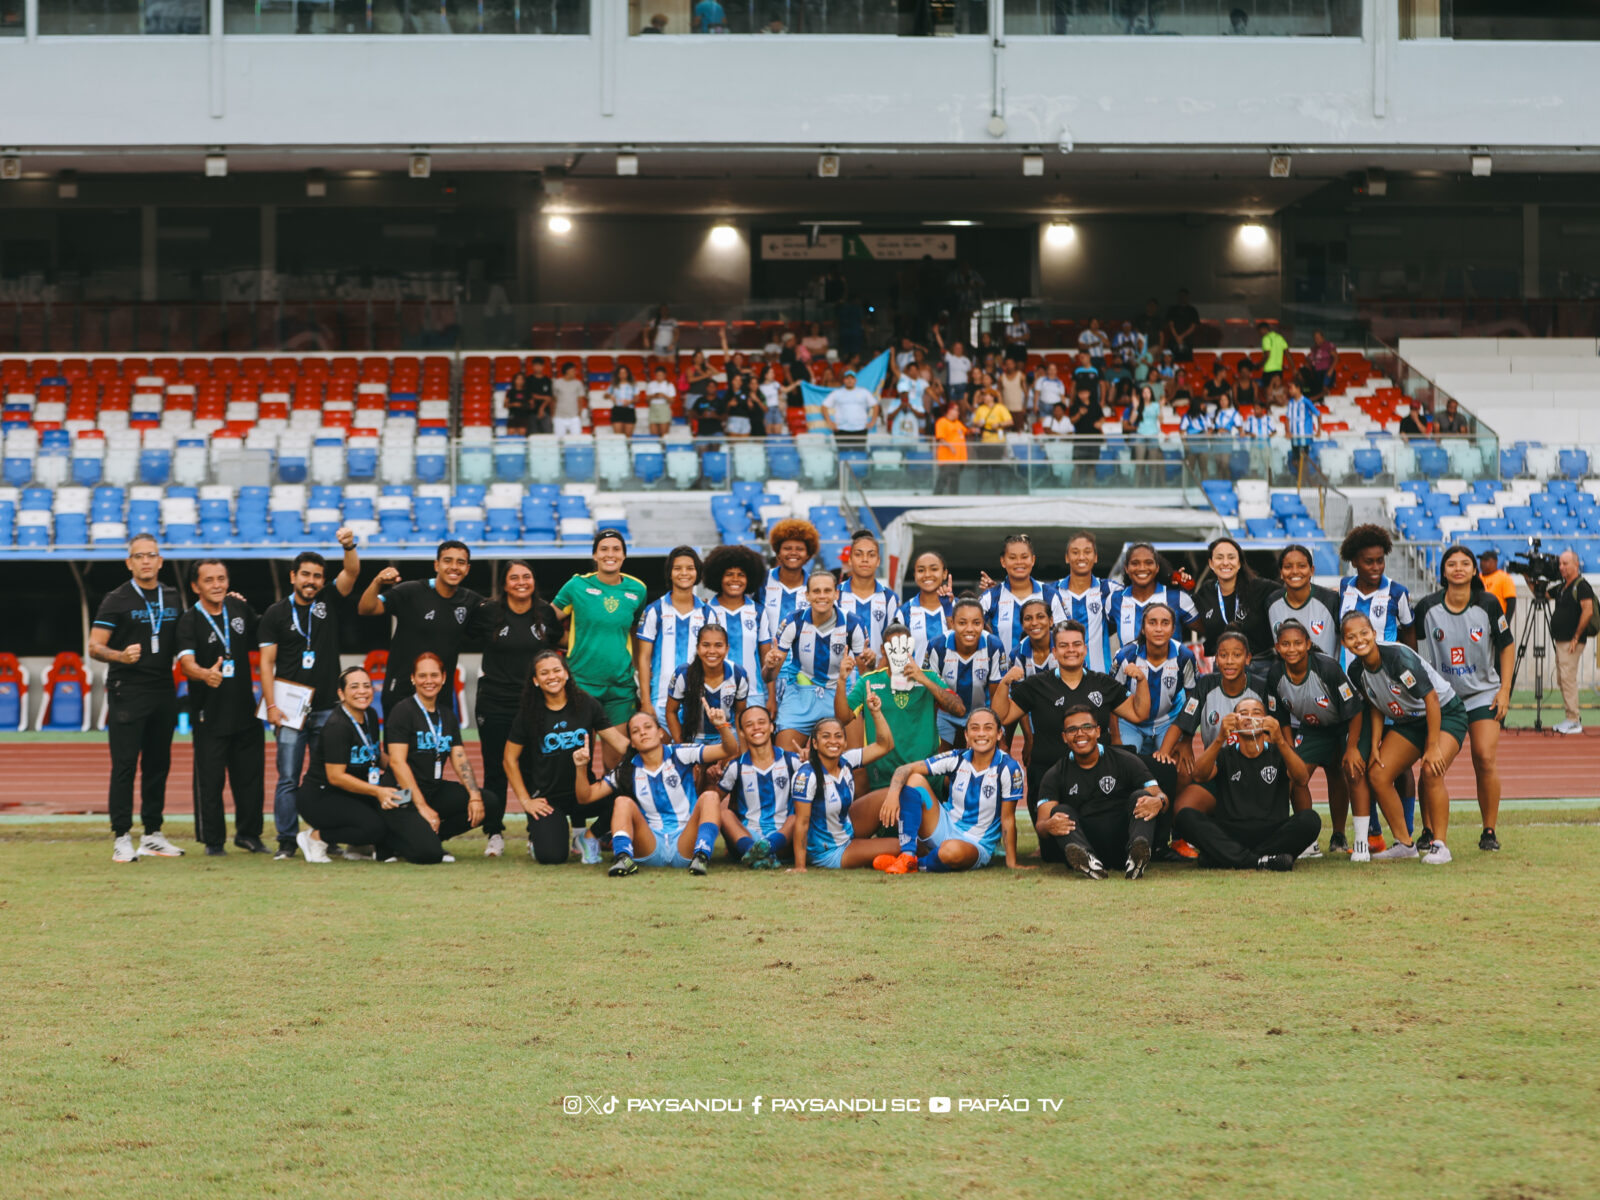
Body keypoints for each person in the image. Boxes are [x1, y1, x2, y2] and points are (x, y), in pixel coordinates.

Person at [992, 620, 1149, 859]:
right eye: (1063, 646)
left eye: (1077, 644)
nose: (1071, 650)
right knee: (1052, 855)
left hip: (1095, 775)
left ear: (1085, 648)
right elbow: (1002, 715)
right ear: (1054, 652)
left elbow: (1139, 713)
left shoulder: (1103, 684)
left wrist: (1142, 682)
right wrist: (1004, 683)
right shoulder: (1037, 684)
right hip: (1050, 775)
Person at [258, 532, 361, 858]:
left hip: (329, 708)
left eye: (317, 576)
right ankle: (287, 841)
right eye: (305, 574)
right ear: (293, 576)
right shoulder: (275, 613)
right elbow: (266, 663)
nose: (311, 581)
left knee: (329, 778)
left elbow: (353, 572)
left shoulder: (328, 600)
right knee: (288, 778)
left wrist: (348, 547)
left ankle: (325, 837)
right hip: (289, 710)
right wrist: (271, 705)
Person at [1340, 610, 1466, 865]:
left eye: (1364, 633)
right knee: (1378, 773)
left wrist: (1432, 747)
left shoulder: (1398, 657)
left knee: (1431, 769)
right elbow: (1375, 704)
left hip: (1445, 712)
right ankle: (1405, 844)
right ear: (1344, 643)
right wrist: (1375, 743)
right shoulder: (1356, 671)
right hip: (1409, 721)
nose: (1359, 640)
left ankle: (1440, 845)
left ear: (1374, 634)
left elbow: (1430, 699)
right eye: (1351, 637)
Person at [90, 534, 182, 863]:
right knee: (125, 766)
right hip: (127, 690)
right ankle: (121, 836)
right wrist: (120, 655)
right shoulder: (116, 599)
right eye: (138, 556)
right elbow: (94, 646)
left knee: (158, 765)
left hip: (162, 689)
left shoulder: (172, 596)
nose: (145, 561)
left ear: (160, 561)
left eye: (151, 555)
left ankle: (153, 834)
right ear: (129, 563)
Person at [1415, 546, 1514, 851]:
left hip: (1482, 692)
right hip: (1444, 698)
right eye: (1452, 564)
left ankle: (1489, 831)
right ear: (1443, 572)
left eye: (1465, 563)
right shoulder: (1427, 608)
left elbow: (1507, 646)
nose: (1458, 568)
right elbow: (1420, 657)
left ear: (1474, 571)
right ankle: (1429, 830)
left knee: (1484, 757)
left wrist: (1504, 690)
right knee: (1431, 763)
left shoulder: (1488, 604)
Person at [576, 709, 739, 876]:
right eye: (635, 731)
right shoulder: (626, 769)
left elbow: (729, 750)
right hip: (649, 845)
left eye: (648, 727)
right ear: (632, 742)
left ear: (660, 733)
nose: (643, 733)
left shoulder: (680, 753)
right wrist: (581, 767)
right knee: (622, 802)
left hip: (685, 843)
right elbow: (585, 796)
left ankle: (702, 856)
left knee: (710, 797)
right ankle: (623, 859)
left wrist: (722, 726)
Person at [503, 650, 629, 864]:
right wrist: (526, 801)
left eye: (556, 670)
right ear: (535, 680)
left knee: (628, 793)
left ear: (567, 674)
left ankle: (589, 837)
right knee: (552, 857)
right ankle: (539, 839)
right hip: (549, 798)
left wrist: (658, 753)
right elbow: (509, 759)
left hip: (584, 792)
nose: (551, 677)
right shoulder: (529, 713)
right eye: (544, 673)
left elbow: (619, 743)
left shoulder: (587, 705)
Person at [175, 560, 265, 856]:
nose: (217, 585)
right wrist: (205, 674)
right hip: (209, 714)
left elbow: (264, 636)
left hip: (245, 711)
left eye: (222, 578)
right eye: (209, 580)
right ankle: (213, 840)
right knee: (210, 780)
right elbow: (186, 663)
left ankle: (249, 834)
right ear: (195, 586)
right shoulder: (189, 620)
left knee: (250, 778)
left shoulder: (239, 609)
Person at [1336, 523, 1417, 845]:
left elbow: (1409, 638)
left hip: (1391, 689)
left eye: (1380, 560)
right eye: (1368, 561)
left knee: (1397, 763)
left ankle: (1406, 832)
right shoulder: (1343, 588)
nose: (1375, 567)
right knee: (1358, 757)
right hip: (1354, 689)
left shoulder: (1398, 593)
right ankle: (1371, 832)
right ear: (1354, 561)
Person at [384, 653, 507, 860]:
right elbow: (397, 762)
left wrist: (475, 796)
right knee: (429, 855)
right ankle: (393, 841)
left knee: (490, 802)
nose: (428, 681)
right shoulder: (402, 711)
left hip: (434, 789)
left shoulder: (446, 714)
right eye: (422, 676)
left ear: (443, 678)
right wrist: (422, 807)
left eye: (434, 675)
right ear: (413, 678)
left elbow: (459, 757)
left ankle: (431, 836)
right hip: (403, 794)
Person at [1172, 698, 1320, 871]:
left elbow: (1302, 778)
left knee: (1310, 819)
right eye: (1243, 714)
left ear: (1267, 720)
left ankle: (1228, 858)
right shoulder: (1224, 754)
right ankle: (1260, 861)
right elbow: (1199, 775)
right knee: (1185, 817)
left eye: (1257, 713)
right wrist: (1220, 738)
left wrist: (1280, 739)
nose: (1250, 718)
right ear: (1234, 721)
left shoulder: (1279, 753)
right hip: (1231, 831)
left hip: (1271, 832)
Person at [1261, 618, 1365, 857]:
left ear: (1308, 644)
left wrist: (1351, 747)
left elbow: (1355, 710)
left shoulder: (1327, 669)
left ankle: (1343, 836)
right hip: (1312, 728)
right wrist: (1288, 748)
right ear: (1278, 648)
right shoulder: (1275, 674)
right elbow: (1281, 716)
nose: (1292, 649)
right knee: (1295, 775)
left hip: (1343, 725)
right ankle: (1308, 841)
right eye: (1285, 644)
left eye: (1297, 643)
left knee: (1344, 772)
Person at [876, 707, 1024, 874]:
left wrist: (1012, 863)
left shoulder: (1009, 768)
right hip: (944, 825)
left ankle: (918, 864)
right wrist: (893, 795)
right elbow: (904, 769)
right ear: (967, 736)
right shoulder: (956, 758)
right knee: (914, 779)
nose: (981, 733)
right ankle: (907, 855)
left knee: (950, 851)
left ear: (999, 734)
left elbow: (1008, 819)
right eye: (975, 728)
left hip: (975, 843)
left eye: (988, 728)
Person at [1034, 705, 1166, 879]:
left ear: (1097, 731)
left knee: (1143, 798)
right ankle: (1088, 862)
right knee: (1059, 813)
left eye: (1086, 727)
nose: (1080, 734)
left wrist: (1159, 801)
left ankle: (1137, 858)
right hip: (1085, 842)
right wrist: (1049, 825)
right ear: (1064, 737)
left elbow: (1159, 795)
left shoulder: (1125, 760)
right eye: (1072, 730)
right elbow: (1041, 824)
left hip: (1124, 840)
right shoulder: (1055, 774)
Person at [358, 539, 489, 714]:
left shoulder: (471, 601)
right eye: (447, 560)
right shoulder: (411, 591)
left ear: (467, 569)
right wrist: (377, 582)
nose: (454, 567)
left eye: (461, 562)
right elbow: (366, 608)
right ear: (436, 565)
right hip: (401, 690)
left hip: (439, 695)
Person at [791, 698, 915, 872]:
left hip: (845, 827)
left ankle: (911, 847)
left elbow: (885, 745)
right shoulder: (807, 775)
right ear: (814, 743)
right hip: (830, 850)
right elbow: (801, 822)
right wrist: (800, 866)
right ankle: (920, 857)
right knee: (900, 846)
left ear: (845, 742)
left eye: (838, 736)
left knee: (892, 794)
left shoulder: (846, 760)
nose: (833, 741)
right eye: (825, 736)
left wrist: (876, 712)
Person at [474, 560, 559, 811]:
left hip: (534, 703)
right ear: (505, 585)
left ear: (534, 582)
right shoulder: (488, 612)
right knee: (495, 767)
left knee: (534, 767)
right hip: (494, 702)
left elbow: (558, 643)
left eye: (526, 576)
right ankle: (495, 832)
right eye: (514, 578)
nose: (521, 582)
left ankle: (536, 830)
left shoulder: (546, 613)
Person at [294, 667, 400, 864]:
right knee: (374, 827)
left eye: (367, 686)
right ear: (341, 694)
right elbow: (336, 776)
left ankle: (358, 846)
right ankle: (315, 838)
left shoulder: (370, 714)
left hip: (349, 794)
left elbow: (374, 753)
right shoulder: (337, 726)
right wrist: (378, 792)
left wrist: (400, 768)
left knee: (395, 808)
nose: (362, 691)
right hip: (321, 796)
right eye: (354, 687)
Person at [837, 622, 958, 793]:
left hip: (924, 777)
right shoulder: (869, 681)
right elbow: (843, 718)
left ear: (911, 647)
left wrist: (923, 679)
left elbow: (958, 709)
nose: (899, 652)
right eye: (893, 646)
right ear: (883, 649)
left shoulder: (929, 677)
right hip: (882, 779)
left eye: (904, 646)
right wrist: (841, 681)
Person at [552, 529, 650, 732]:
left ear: (624, 555)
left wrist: (638, 673)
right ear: (595, 555)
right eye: (603, 549)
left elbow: (634, 630)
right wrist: (569, 642)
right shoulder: (576, 585)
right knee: (581, 754)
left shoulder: (638, 590)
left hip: (620, 687)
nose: (610, 554)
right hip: (582, 683)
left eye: (616, 549)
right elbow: (546, 622)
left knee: (616, 758)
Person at [767, 569, 869, 750]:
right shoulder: (793, 621)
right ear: (807, 595)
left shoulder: (854, 623)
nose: (822, 596)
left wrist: (871, 663)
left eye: (827, 591)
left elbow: (866, 675)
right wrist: (769, 666)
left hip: (841, 693)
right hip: (801, 694)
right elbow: (769, 676)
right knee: (784, 760)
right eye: (816, 591)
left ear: (836, 594)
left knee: (856, 763)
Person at [636, 545, 717, 726]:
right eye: (677, 568)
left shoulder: (707, 613)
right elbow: (643, 657)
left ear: (697, 573)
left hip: (698, 700)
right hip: (661, 701)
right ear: (670, 573)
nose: (684, 573)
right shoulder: (654, 610)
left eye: (690, 568)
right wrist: (646, 702)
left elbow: (715, 658)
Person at [715, 705, 803, 868]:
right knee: (724, 813)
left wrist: (813, 761)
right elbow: (714, 800)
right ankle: (753, 851)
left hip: (783, 837)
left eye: (761, 722)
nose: (756, 728)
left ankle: (762, 852)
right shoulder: (736, 766)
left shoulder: (793, 761)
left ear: (771, 727)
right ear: (741, 732)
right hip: (748, 834)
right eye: (749, 724)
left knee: (797, 815)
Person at [1112, 602, 1198, 757]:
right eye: (1152, 623)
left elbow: (1193, 699)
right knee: (1125, 762)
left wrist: (1186, 739)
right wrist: (1116, 738)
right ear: (1143, 629)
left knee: (1179, 766)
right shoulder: (1125, 656)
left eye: (1165, 623)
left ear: (1173, 629)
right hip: (1130, 722)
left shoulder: (1185, 657)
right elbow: (1112, 699)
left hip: (1168, 720)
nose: (1159, 629)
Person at [923, 599, 1007, 749]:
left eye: (976, 623)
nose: (970, 629)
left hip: (983, 711)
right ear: (952, 623)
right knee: (939, 758)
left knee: (998, 755)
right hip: (946, 714)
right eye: (962, 623)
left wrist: (994, 727)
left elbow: (996, 695)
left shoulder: (994, 646)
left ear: (983, 624)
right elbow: (931, 694)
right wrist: (930, 731)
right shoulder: (937, 646)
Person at [702, 544, 774, 710]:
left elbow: (766, 658)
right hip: (715, 693)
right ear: (718, 577)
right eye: (729, 574)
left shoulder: (758, 611)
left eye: (741, 575)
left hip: (753, 694)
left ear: (750, 578)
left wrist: (771, 697)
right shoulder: (705, 611)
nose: (735, 579)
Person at [667, 624, 749, 751]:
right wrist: (682, 747)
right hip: (692, 737)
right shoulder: (683, 674)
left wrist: (742, 750)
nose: (712, 651)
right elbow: (671, 712)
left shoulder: (738, 674)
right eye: (706, 645)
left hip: (726, 735)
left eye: (718, 645)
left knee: (727, 767)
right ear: (698, 648)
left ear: (727, 649)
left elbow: (740, 714)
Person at [1193, 535, 1276, 657]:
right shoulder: (1206, 591)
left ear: (1240, 562)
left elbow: (1290, 597)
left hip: (1259, 665)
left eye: (1231, 557)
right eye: (1219, 558)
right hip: (1222, 665)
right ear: (1211, 563)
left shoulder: (1261, 587)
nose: (1225, 563)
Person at [1049, 530, 1118, 673]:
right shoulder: (1051, 591)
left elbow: (1141, 595)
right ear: (1067, 558)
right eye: (1075, 552)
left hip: (1100, 677)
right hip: (1060, 678)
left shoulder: (1109, 589)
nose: (1081, 557)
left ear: (1096, 557)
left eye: (1087, 552)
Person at [1107, 542, 1199, 646]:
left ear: (1157, 567)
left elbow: (1209, 631)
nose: (1142, 568)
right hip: (1128, 663)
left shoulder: (1177, 598)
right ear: (1126, 568)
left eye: (1148, 562)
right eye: (1135, 563)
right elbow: (1100, 632)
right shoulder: (1115, 600)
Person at [977, 533, 1051, 655]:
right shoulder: (990, 597)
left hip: (1044, 673)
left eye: (1024, 557)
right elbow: (970, 630)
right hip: (1002, 673)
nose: (1019, 562)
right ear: (1003, 561)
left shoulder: (1049, 595)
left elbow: (1063, 635)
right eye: (1012, 557)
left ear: (1033, 560)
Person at [1264, 543, 1341, 659]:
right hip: (1287, 676)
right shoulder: (1272, 602)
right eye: (1288, 567)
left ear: (1312, 570)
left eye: (1301, 566)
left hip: (1326, 676)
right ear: (1281, 572)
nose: (1295, 571)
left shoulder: (1331, 600)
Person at [1551, 549, 1595, 736]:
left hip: (1571, 642)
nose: (1561, 567)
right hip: (1562, 641)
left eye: (1565, 563)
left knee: (1567, 679)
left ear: (1576, 564)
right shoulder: (1562, 587)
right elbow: (1542, 593)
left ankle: (1573, 719)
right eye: (1560, 563)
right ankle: (1571, 717)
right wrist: (1529, 574)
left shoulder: (1582, 586)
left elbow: (1588, 611)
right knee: (1563, 679)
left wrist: (1576, 637)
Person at [835, 530, 900, 653]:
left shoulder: (889, 598)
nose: (865, 559)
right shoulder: (836, 595)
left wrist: (880, 669)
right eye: (858, 554)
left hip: (878, 670)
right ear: (850, 560)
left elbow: (893, 642)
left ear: (878, 561)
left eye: (871, 555)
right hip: (842, 671)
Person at [897, 549, 955, 661]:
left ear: (944, 574)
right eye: (921, 570)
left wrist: (949, 611)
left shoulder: (960, 607)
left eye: (934, 569)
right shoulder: (904, 612)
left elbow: (965, 646)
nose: (927, 575)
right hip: (915, 678)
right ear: (914, 575)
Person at [760, 518, 815, 634]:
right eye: (787, 548)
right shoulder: (761, 580)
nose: (793, 552)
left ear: (808, 555)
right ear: (778, 553)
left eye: (799, 549)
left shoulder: (815, 585)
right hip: (766, 651)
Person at [822, 369, 877, 451]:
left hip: (860, 428)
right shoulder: (837, 393)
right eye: (847, 378)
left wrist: (872, 422)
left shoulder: (863, 392)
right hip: (841, 429)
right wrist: (829, 422)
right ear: (844, 380)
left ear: (855, 380)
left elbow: (875, 405)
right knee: (843, 453)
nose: (849, 380)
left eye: (852, 378)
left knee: (859, 453)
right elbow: (824, 406)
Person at [933, 399, 968, 494]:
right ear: (949, 410)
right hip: (947, 458)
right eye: (956, 410)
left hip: (959, 459)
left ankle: (953, 499)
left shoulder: (958, 423)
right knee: (943, 479)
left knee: (954, 481)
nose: (958, 412)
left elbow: (966, 432)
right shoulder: (942, 422)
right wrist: (951, 447)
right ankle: (936, 498)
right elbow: (940, 438)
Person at [1285, 379, 1320, 476]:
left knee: (1303, 460)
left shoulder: (1306, 401)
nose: (1290, 391)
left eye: (1291, 388)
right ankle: (1306, 480)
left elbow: (1318, 414)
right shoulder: (1291, 402)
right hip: (1295, 436)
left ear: (1298, 389)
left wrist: (1319, 431)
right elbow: (1287, 418)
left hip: (1305, 436)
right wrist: (1287, 431)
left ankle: (1305, 481)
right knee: (1295, 461)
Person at [1476, 548, 1518, 622]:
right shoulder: (1477, 578)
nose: (1482, 563)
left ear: (1495, 562)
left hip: (1497, 620)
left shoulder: (1504, 577)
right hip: (1479, 619)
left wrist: (1506, 622)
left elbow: (1511, 601)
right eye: (1481, 560)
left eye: (1486, 561)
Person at [933, 328, 971, 403]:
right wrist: (937, 334)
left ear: (962, 349)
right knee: (952, 406)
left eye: (960, 348)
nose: (958, 349)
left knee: (963, 407)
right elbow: (942, 346)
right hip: (952, 386)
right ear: (953, 349)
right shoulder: (949, 357)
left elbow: (969, 373)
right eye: (956, 347)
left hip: (963, 386)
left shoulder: (967, 360)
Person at [1164, 288, 1200, 362]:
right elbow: (1171, 325)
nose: (1182, 298)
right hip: (1174, 341)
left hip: (1187, 341)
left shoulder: (1192, 310)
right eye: (1181, 296)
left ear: (1187, 297)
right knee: (1173, 361)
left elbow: (1193, 326)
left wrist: (1181, 337)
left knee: (1187, 362)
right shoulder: (1172, 309)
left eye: (1184, 296)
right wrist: (1177, 337)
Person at [606, 364, 639, 436]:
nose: (622, 375)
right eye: (620, 373)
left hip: (629, 410)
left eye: (624, 373)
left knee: (628, 436)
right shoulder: (613, 385)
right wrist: (610, 396)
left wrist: (630, 402)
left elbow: (637, 398)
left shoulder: (633, 385)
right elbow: (606, 395)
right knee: (618, 436)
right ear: (618, 374)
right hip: (617, 410)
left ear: (627, 374)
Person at [644, 364, 676, 437]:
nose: (659, 377)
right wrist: (654, 396)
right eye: (658, 375)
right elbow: (647, 399)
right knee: (653, 434)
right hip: (653, 408)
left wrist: (663, 395)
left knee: (664, 434)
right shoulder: (651, 384)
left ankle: (664, 447)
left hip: (664, 408)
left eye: (661, 375)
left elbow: (672, 400)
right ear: (655, 375)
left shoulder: (669, 385)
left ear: (665, 375)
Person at [524, 357, 554, 434]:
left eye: (539, 365)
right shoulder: (529, 380)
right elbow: (529, 394)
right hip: (531, 412)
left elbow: (550, 397)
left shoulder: (547, 380)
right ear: (532, 367)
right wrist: (543, 397)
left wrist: (542, 408)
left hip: (545, 412)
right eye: (535, 365)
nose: (537, 368)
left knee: (547, 435)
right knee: (533, 435)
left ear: (543, 367)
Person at [1258, 320, 1289, 386]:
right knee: (1277, 392)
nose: (1259, 333)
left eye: (1259, 331)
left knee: (1268, 392)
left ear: (1264, 329)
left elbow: (1267, 355)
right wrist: (1294, 367)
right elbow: (1287, 353)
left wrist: (1259, 365)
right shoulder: (1279, 337)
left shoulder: (1265, 338)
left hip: (1268, 371)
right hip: (1279, 370)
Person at [504, 369, 534, 436]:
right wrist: (513, 405)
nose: (519, 381)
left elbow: (532, 405)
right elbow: (505, 405)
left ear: (524, 381)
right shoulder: (510, 392)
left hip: (523, 416)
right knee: (510, 432)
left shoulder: (527, 392)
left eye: (521, 379)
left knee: (522, 432)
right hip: (513, 416)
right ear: (514, 380)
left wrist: (523, 405)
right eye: (518, 379)